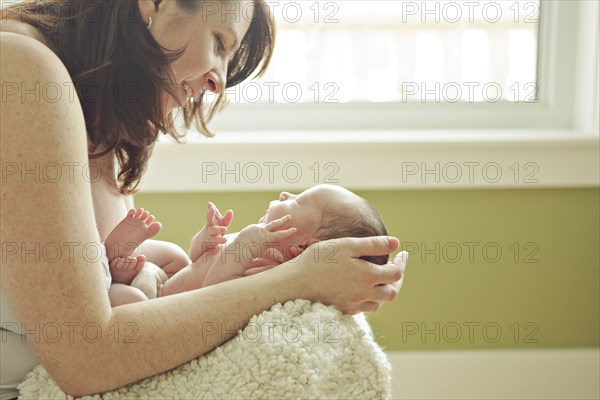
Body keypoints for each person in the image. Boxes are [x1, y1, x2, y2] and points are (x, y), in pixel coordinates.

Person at [0, 0, 408, 398]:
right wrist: (298, 280)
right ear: (154, 4)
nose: (219, 82)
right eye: (219, 42)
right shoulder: (20, 69)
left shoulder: (101, 120)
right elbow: (87, 355)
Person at [104, 184, 391, 304]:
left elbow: (215, 294)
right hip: (163, 278)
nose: (284, 194)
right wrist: (208, 238)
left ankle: (118, 272)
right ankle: (122, 258)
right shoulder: (253, 243)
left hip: (158, 304)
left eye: (297, 200)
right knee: (175, 254)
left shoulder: (267, 272)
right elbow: (197, 260)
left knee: (125, 301)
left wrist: (240, 247)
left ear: (303, 247)